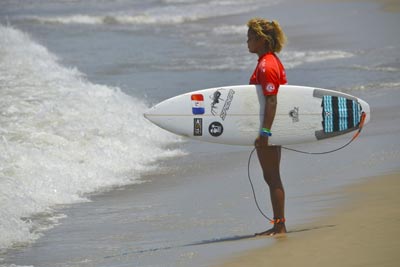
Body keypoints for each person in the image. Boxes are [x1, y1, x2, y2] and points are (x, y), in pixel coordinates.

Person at [247, 18, 287, 235]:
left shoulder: (267, 65)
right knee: (271, 176)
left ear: (261, 40)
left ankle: (280, 226)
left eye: (250, 37)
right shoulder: (268, 61)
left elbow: (271, 100)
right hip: (269, 127)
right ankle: (278, 223)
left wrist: (265, 133)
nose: (247, 42)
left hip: (269, 129)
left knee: (272, 177)